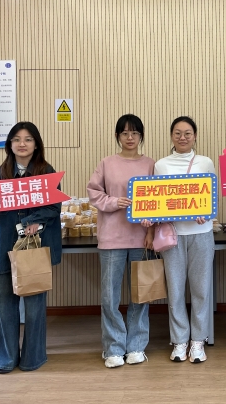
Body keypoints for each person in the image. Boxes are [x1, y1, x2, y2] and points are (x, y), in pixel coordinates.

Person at [0, 122, 62, 373]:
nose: (22, 144)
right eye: (17, 139)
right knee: (4, 306)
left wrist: (33, 221)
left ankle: (33, 357)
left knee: (34, 308)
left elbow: (53, 208)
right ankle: (4, 358)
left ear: (36, 144)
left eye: (28, 139)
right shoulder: (0, 173)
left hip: (34, 247)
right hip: (4, 246)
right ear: (9, 144)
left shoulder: (46, 171)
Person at [87, 114, 155, 369]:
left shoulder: (150, 164)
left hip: (141, 239)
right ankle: (113, 348)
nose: (130, 137)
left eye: (134, 133)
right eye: (124, 133)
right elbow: (94, 193)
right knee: (110, 296)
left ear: (141, 136)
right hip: (112, 238)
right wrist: (115, 202)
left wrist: (151, 231)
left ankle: (136, 346)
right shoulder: (107, 163)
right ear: (117, 136)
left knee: (141, 294)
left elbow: (158, 201)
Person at [148, 116, 216, 363]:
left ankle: (198, 341)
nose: (183, 137)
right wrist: (149, 216)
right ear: (171, 136)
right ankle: (179, 341)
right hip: (172, 236)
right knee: (175, 291)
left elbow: (212, 197)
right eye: (178, 133)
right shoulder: (161, 165)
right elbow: (156, 200)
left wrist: (206, 212)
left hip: (201, 234)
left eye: (188, 133)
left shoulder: (205, 162)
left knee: (201, 290)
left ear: (195, 136)